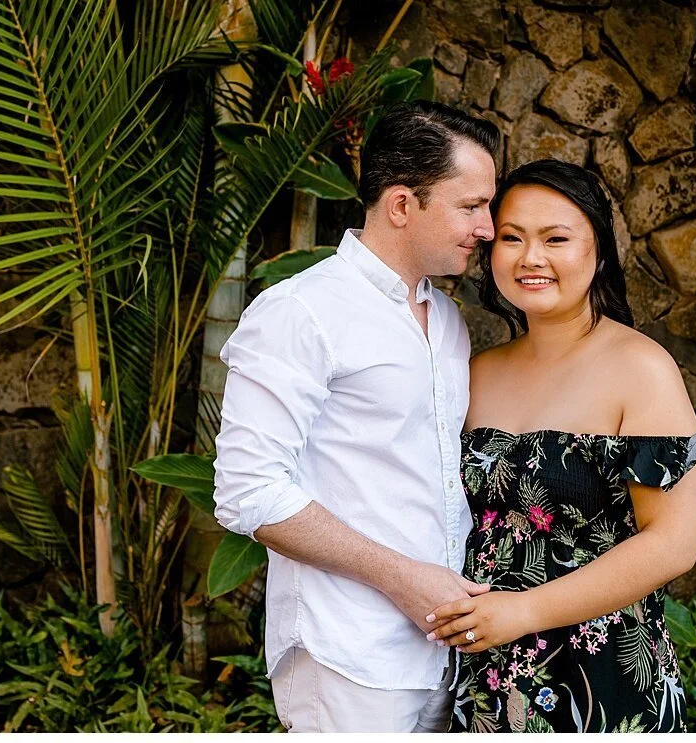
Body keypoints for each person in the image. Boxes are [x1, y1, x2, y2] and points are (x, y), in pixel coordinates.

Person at [213, 100, 502, 733]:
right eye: (470, 206)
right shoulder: (300, 312)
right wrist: (403, 581)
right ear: (402, 205)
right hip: (348, 650)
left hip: (443, 652)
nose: (487, 228)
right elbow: (248, 492)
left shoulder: (447, 321)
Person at [428, 159, 696, 733]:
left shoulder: (642, 368)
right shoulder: (473, 372)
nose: (530, 258)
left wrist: (526, 611)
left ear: (599, 252)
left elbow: (673, 544)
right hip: (484, 669)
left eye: (555, 239)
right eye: (511, 238)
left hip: (603, 670)